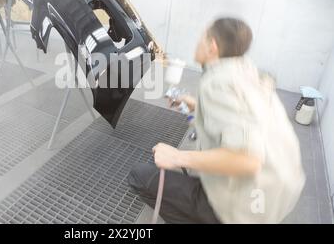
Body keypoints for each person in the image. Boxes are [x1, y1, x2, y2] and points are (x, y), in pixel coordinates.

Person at [128, 17, 305, 223]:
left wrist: (177, 157)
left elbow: (248, 160)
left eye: (201, 38)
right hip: (275, 195)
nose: (197, 43)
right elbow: (246, 116)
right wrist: (196, 105)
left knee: (139, 176)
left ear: (212, 46)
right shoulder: (245, 72)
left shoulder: (218, 83)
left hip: (245, 207)